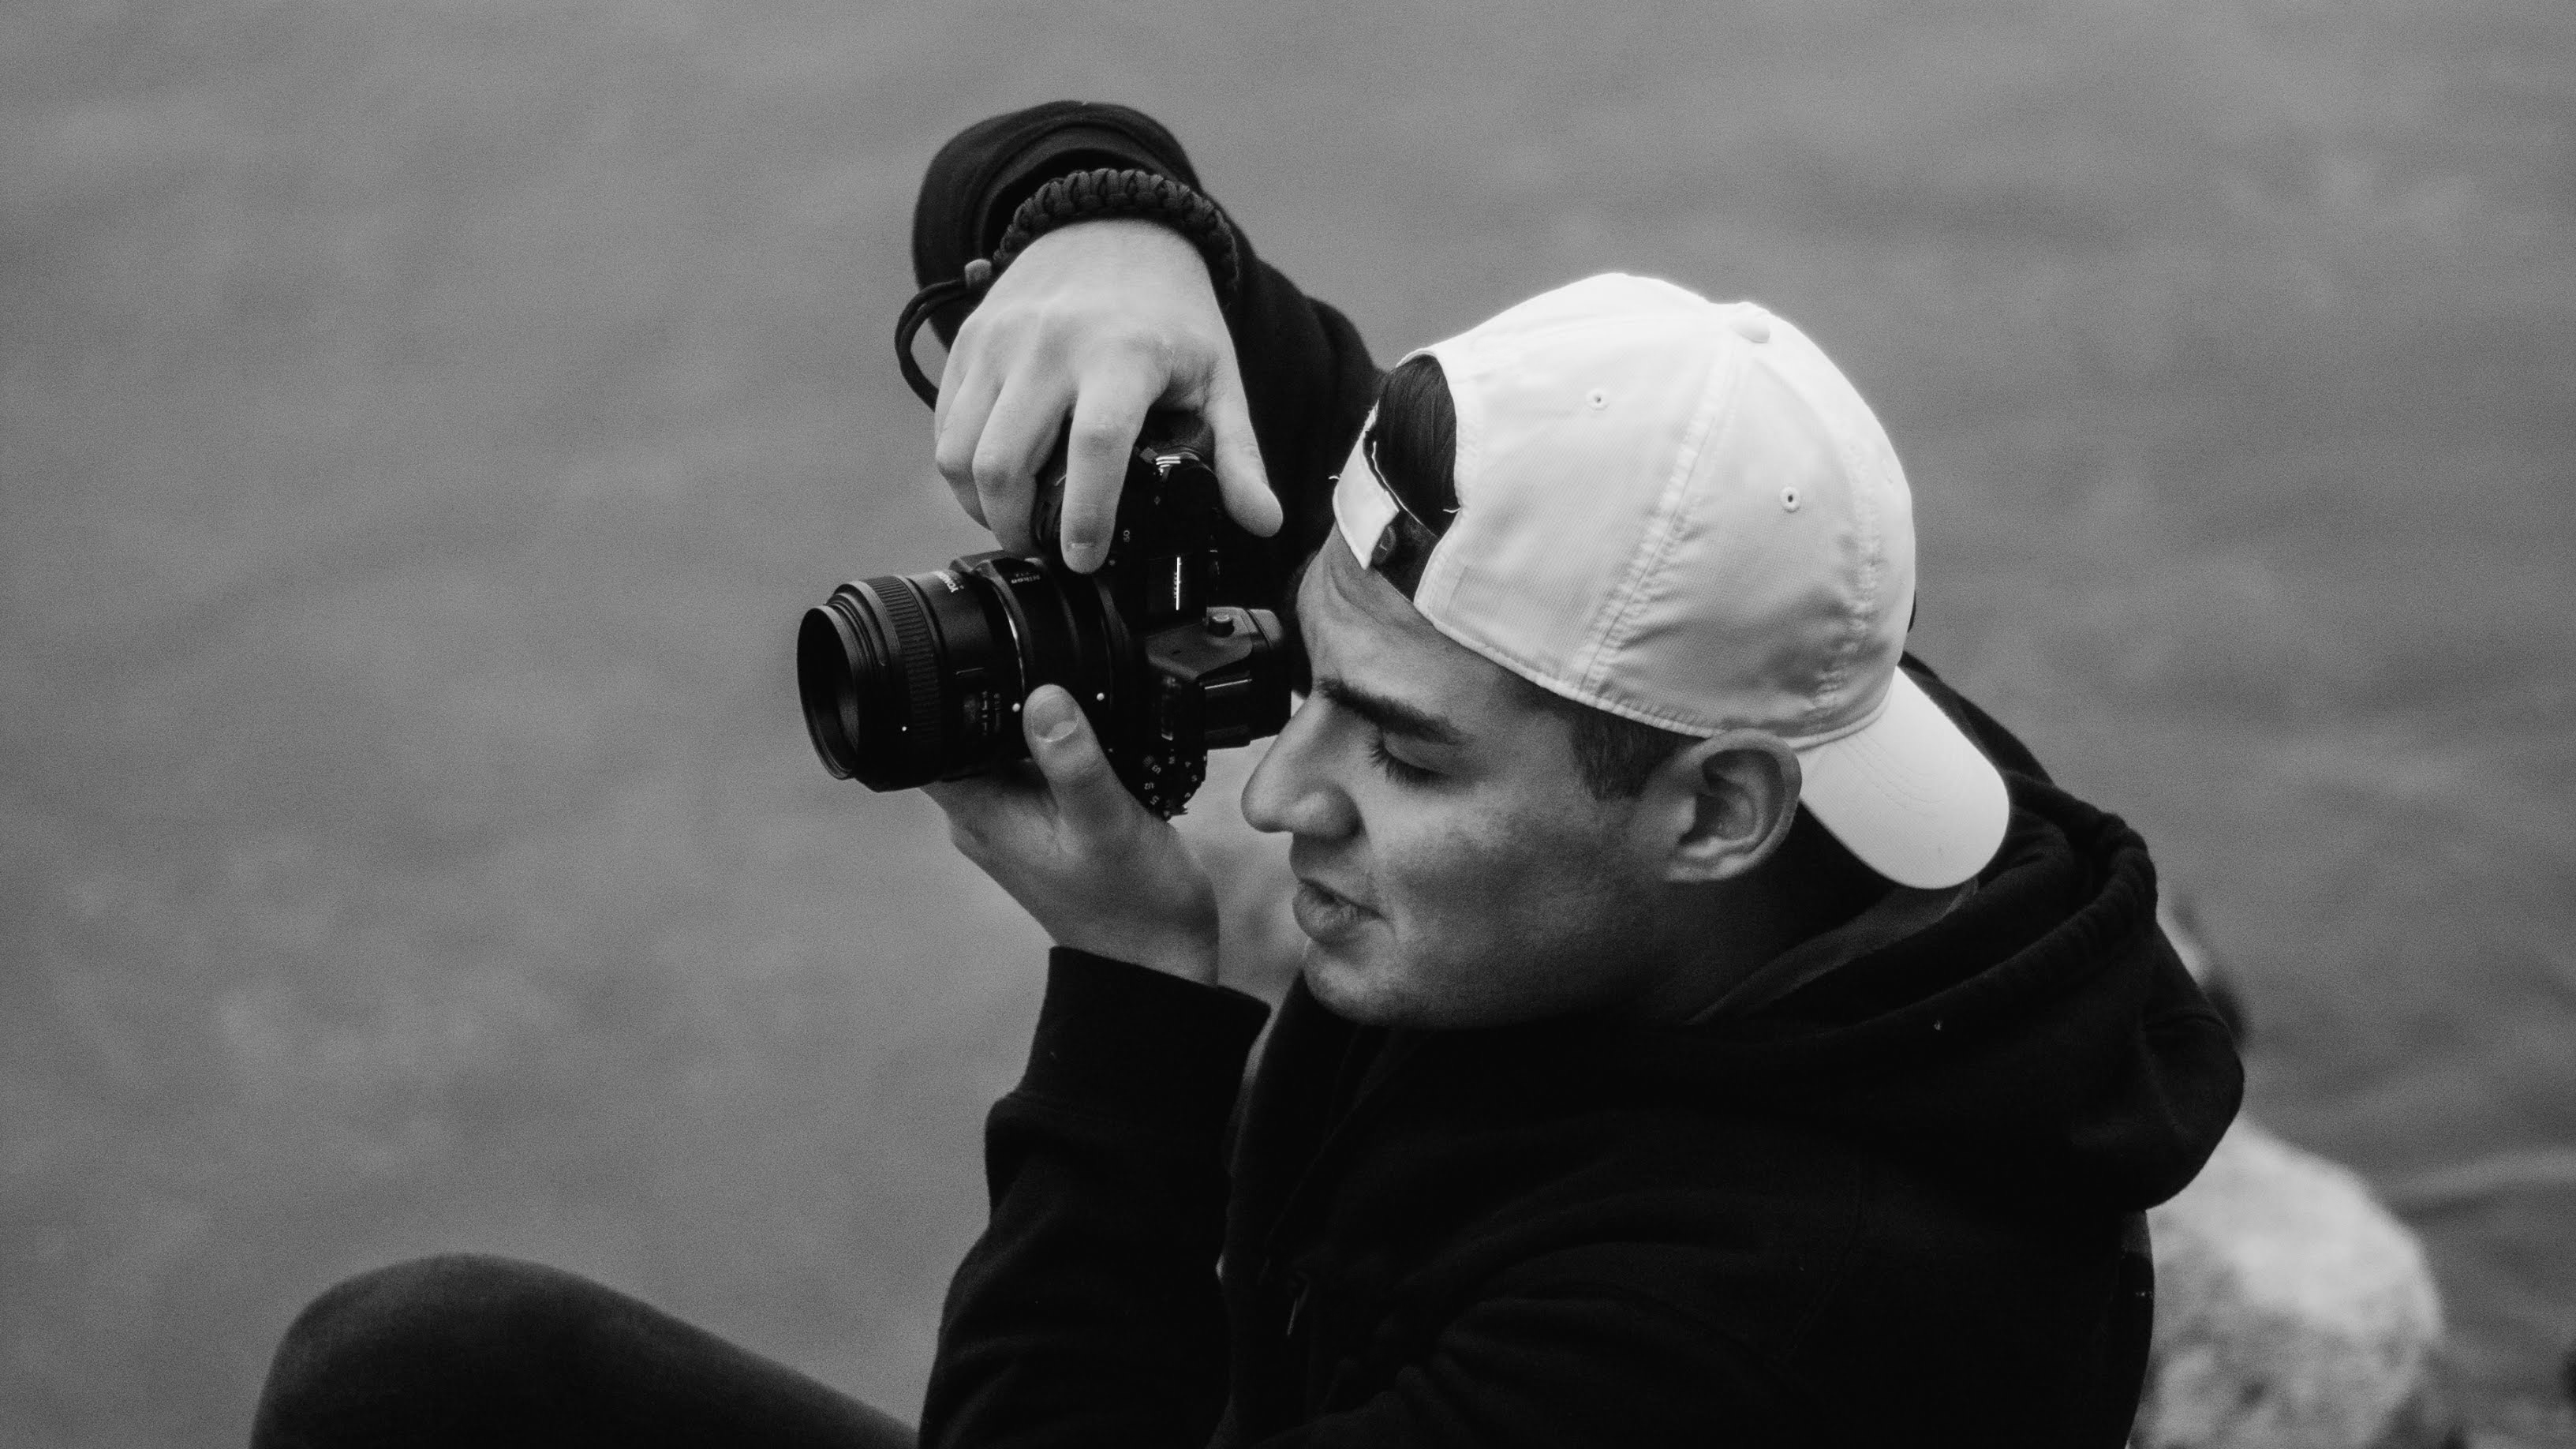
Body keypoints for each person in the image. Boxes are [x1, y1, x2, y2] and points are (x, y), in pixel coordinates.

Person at [249, 102, 2242, 1448]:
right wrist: (1105, 237)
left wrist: (1138, 999)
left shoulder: (1780, 1317)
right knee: (426, 1380)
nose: (1285, 794)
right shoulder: (1681, 669)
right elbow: (1059, 203)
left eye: (1398, 752)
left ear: (1711, 809)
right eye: (1318, 680)